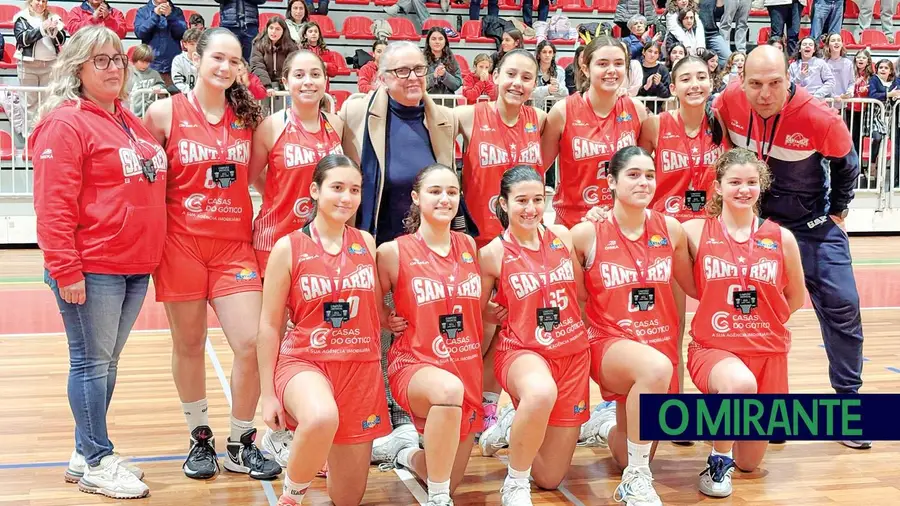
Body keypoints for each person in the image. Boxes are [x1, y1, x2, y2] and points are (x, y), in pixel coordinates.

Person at [33, 25, 167, 500]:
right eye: (101, 60)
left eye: (118, 59)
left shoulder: (125, 118)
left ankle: (82, 453)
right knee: (91, 363)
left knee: (105, 364)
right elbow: (52, 205)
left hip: (133, 263)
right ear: (78, 68)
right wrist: (66, 269)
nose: (114, 68)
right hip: (92, 265)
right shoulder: (65, 123)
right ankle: (97, 460)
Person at [143, 27, 281, 481]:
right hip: (180, 246)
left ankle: (241, 442)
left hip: (234, 248)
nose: (225, 67)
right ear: (195, 58)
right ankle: (198, 437)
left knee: (252, 342)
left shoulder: (249, 120)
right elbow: (143, 184)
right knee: (189, 343)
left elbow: (263, 181)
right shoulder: (163, 113)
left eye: (233, 61)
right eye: (217, 58)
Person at [714, 45, 869, 448]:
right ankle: (758, 410)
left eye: (775, 83)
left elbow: (848, 166)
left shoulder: (820, 117)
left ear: (791, 78)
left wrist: (838, 211)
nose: (765, 94)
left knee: (843, 303)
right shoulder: (728, 101)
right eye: (755, 84)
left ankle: (848, 405)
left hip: (810, 226)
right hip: (755, 226)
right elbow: (719, 143)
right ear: (740, 80)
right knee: (744, 312)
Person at [340, 40, 458, 467]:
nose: (412, 78)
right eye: (402, 71)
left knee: (414, 328)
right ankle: (378, 414)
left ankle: (410, 412)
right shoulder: (356, 112)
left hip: (424, 248)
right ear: (383, 76)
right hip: (376, 243)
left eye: (419, 69)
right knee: (379, 329)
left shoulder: (443, 118)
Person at [258, 154, 390, 506]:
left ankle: (313, 447)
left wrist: (395, 318)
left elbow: (376, 308)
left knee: (348, 498)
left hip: (360, 370)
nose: (347, 197)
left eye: (355, 190)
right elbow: (269, 325)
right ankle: (291, 496)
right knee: (320, 416)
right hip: (306, 362)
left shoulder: (367, 242)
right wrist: (268, 395)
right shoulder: (288, 247)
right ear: (315, 190)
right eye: (337, 188)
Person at [570, 146, 695, 505]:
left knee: (628, 450)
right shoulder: (586, 234)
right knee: (654, 369)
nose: (643, 182)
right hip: (609, 342)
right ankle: (636, 479)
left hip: (657, 343)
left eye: (650, 175)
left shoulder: (670, 230)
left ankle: (605, 427)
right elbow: (575, 299)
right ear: (611, 181)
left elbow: (694, 286)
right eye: (633, 175)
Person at [681, 147, 805, 497]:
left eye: (751, 182)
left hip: (767, 353)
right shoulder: (692, 231)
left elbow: (796, 297)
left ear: (761, 186)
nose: (743, 189)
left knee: (750, 463)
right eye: (734, 182)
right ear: (718, 187)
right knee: (738, 384)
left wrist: (762, 322)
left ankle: (719, 419)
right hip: (715, 349)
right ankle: (717, 463)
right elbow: (649, 233)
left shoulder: (781, 237)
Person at [477, 166, 590, 504]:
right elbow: (476, 309)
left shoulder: (563, 236)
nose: (531, 208)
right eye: (521, 200)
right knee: (540, 392)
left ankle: (511, 425)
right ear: (503, 203)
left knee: (549, 478)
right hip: (523, 351)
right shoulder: (492, 254)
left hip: (571, 354)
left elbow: (580, 294)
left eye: (538, 200)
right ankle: (514, 482)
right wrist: (489, 312)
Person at [376, 163, 483, 506]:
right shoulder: (392, 252)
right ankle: (438, 500)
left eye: (452, 192)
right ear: (415, 197)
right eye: (435, 191)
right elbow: (371, 305)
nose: (444, 199)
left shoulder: (468, 245)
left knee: (448, 475)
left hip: (465, 367)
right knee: (448, 391)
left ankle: (404, 453)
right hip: (416, 363)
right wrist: (387, 318)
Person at [454, 48, 546, 441]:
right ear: (494, 75)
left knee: (507, 327)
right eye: (511, 74)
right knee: (478, 329)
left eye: (526, 77)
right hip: (479, 243)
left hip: (522, 244)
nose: (517, 83)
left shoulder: (540, 120)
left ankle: (489, 403)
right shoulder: (467, 116)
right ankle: (465, 404)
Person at [540, 36, 648, 228]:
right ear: (585, 69)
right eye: (602, 63)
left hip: (621, 224)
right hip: (573, 224)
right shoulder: (563, 111)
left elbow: (645, 171)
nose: (611, 70)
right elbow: (537, 169)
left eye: (618, 63)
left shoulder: (636, 110)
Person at [13, 0, 67, 131]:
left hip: (51, 65)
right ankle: (29, 137)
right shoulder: (21, 18)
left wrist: (54, 31)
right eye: (37, 0)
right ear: (30, 2)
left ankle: (45, 135)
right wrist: (42, 29)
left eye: (44, 1)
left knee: (48, 103)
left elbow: (62, 40)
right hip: (28, 66)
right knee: (29, 105)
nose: (41, 3)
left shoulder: (54, 18)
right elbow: (22, 39)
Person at [133, 0, 187, 85]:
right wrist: (155, 15)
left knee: (174, 93)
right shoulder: (143, 11)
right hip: (150, 67)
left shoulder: (176, 12)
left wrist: (170, 16)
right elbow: (140, 33)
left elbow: (183, 33)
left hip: (172, 67)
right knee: (149, 93)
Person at [250, 16, 299, 94]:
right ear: (267, 29)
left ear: (284, 31)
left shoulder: (292, 46)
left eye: (277, 29)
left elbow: (293, 67)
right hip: (264, 85)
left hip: (286, 86)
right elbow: (257, 66)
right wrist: (267, 86)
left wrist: (286, 84)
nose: (273, 31)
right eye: (271, 28)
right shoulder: (258, 44)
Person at [127, 44, 166, 117]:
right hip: (133, 112)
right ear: (135, 59)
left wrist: (158, 87)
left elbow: (161, 85)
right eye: (142, 62)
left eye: (147, 62)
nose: (145, 65)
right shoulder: (128, 74)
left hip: (150, 113)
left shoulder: (154, 74)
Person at [425, 27, 462, 96]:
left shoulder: (451, 59)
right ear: (428, 42)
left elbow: (457, 84)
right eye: (433, 39)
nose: (437, 42)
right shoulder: (421, 60)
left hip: (448, 101)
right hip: (428, 101)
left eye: (440, 39)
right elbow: (418, 83)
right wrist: (434, 76)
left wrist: (445, 75)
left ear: (445, 41)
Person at [533, 41, 569, 111]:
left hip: (554, 111)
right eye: (544, 52)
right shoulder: (532, 70)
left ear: (553, 55)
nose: (547, 55)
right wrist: (547, 90)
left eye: (550, 52)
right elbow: (529, 92)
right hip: (535, 109)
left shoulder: (559, 71)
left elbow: (565, 93)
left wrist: (558, 87)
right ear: (539, 55)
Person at [171, 27, 200, 94]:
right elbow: (178, 82)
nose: (195, 47)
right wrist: (191, 93)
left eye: (198, 44)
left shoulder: (206, 59)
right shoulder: (178, 60)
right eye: (192, 44)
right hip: (185, 95)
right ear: (185, 44)